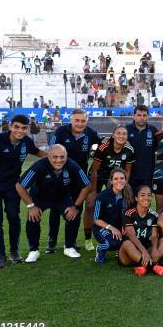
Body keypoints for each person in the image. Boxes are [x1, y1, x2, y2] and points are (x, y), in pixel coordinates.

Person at [0, 114, 46, 268]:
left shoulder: (27, 142)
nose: (20, 131)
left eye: (24, 128)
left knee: (14, 217)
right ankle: (0, 255)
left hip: (13, 187)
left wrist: (54, 156)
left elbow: (37, 152)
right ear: (10, 127)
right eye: (17, 127)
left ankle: (14, 252)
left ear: (27, 129)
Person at [16, 145, 90, 262]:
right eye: (55, 157)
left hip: (62, 197)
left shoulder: (71, 165)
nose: (59, 160)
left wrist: (75, 206)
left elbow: (86, 185)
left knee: (73, 215)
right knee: (33, 218)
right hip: (40, 198)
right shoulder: (39, 166)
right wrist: (31, 206)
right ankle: (33, 251)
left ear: (66, 156)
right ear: (48, 156)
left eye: (62, 157)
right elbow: (20, 186)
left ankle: (69, 247)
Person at [49, 108, 103, 252]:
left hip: (79, 179)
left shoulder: (90, 133)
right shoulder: (61, 132)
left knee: (76, 209)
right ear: (71, 120)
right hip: (59, 177)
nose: (79, 123)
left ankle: (71, 242)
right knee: (55, 209)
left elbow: (103, 144)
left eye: (83, 121)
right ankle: (51, 242)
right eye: (77, 120)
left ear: (87, 121)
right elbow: (51, 151)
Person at [118, 185, 163, 276]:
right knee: (127, 243)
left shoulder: (154, 215)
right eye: (143, 195)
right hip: (130, 254)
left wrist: (155, 249)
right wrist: (144, 252)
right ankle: (154, 266)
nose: (146, 198)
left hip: (146, 250)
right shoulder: (128, 213)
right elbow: (131, 236)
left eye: (149, 195)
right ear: (136, 198)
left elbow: (154, 236)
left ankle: (142, 267)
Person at [93, 168, 133, 263]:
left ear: (125, 180)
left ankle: (121, 251)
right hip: (102, 227)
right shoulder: (102, 196)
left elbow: (131, 214)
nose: (119, 181)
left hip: (120, 228)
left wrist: (126, 226)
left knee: (133, 240)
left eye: (122, 178)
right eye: (116, 179)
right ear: (111, 181)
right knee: (112, 243)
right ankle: (100, 249)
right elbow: (96, 219)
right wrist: (111, 228)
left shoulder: (128, 195)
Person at [126, 105, 158, 191]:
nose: (142, 118)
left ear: (148, 116)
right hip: (129, 173)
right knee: (129, 201)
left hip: (147, 174)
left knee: (144, 201)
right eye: (139, 115)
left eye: (144, 115)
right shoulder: (126, 130)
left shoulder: (153, 130)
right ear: (134, 116)